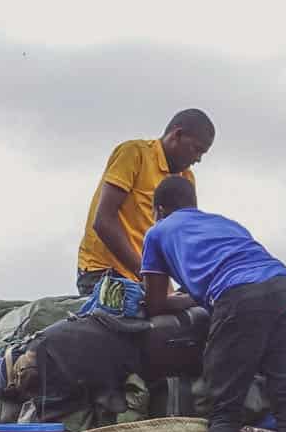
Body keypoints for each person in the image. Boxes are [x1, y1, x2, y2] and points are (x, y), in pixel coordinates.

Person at [140, 176, 286, 432]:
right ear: (194, 203)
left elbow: (155, 302)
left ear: (158, 209)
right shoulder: (226, 224)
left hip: (237, 298)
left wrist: (194, 298)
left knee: (225, 407)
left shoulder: (157, 233)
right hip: (284, 289)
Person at [75, 109, 215, 295]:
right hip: (104, 272)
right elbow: (103, 222)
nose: (198, 159)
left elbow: (179, 237)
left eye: (203, 154)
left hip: (144, 277)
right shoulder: (135, 154)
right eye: (196, 149)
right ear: (177, 135)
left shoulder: (186, 179)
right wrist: (147, 274)